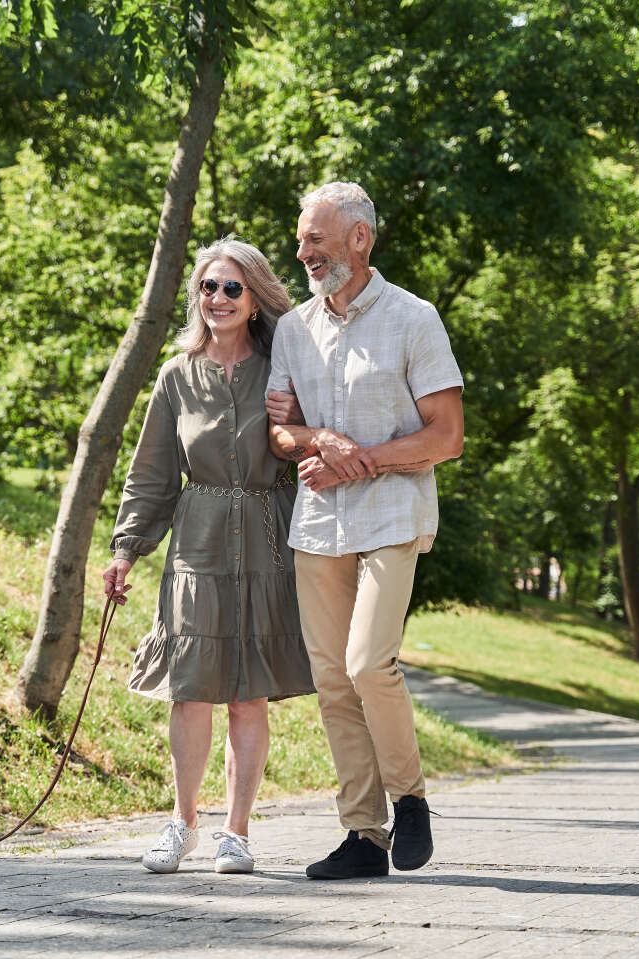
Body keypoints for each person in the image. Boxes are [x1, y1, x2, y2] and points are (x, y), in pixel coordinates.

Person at [265, 182, 465, 880]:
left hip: (392, 512)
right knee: (332, 681)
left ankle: (409, 800)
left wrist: (364, 461)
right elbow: (280, 429)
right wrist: (317, 437)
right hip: (318, 522)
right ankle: (363, 835)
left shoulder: (414, 319)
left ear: (359, 238)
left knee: (367, 663)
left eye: (315, 239)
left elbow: (447, 436)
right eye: (300, 240)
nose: (303, 252)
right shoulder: (294, 329)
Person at [104, 237, 315, 876]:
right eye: (207, 287)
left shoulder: (285, 368)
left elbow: (308, 448)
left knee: (247, 695)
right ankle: (182, 822)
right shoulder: (176, 375)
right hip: (196, 542)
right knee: (190, 689)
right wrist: (126, 549)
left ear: (254, 300)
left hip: (267, 542)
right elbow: (151, 475)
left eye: (231, 288)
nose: (216, 299)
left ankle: (237, 833)